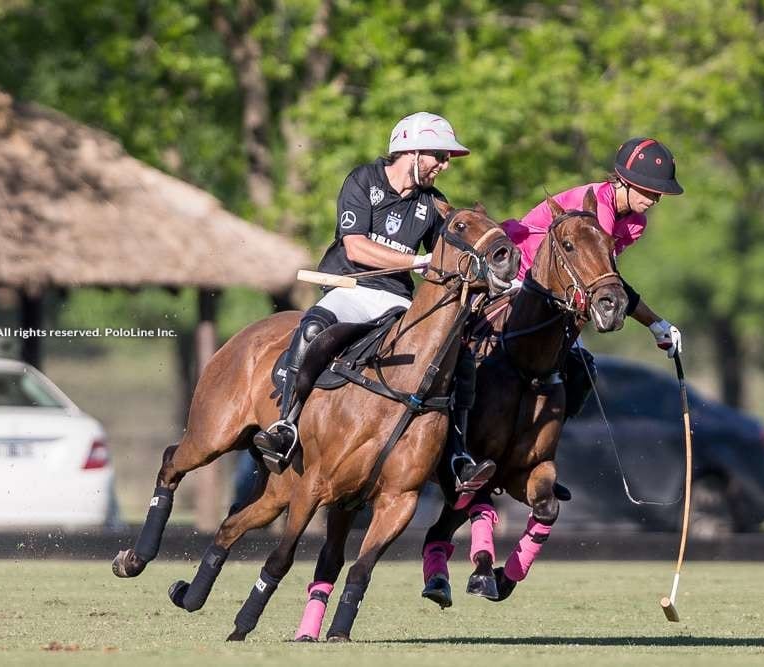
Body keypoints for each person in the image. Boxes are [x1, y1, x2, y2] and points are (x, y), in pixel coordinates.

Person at [251, 111, 495, 506]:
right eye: (439, 155)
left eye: (447, 158)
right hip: (352, 286)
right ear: (411, 151)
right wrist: (416, 262)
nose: (444, 165)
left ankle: (457, 455)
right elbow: (356, 247)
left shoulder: (434, 204)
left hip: (398, 301)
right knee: (313, 328)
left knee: (459, 359)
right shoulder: (363, 181)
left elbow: (449, 258)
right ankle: (286, 424)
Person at [502, 137, 685, 422]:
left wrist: (658, 325)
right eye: (648, 191)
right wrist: (654, 323)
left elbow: (604, 280)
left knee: (579, 372)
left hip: (557, 295)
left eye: (659, 194)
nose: (654, 199)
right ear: (623, 180)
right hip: (518, 276)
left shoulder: (635, 224)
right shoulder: (598, 204)